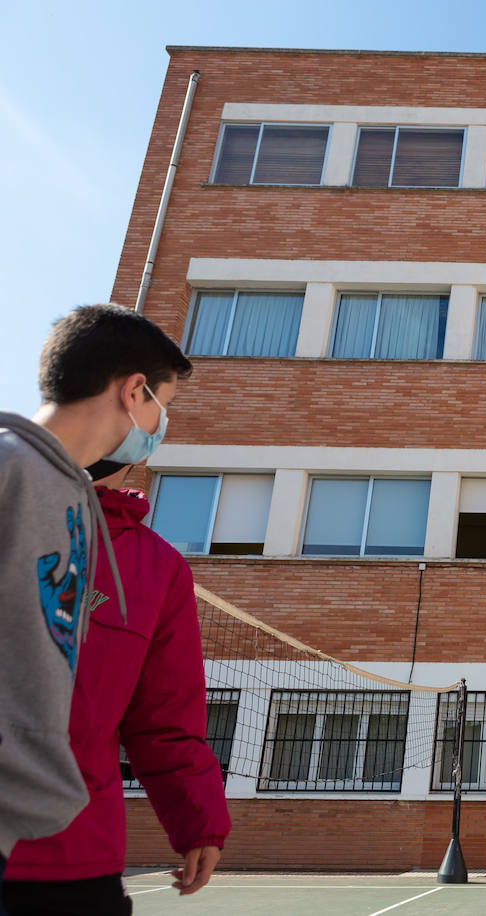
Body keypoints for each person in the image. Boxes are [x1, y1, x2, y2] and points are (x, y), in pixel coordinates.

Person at [0, 305, 191, 900]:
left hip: (53, 838)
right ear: (135, 392)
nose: (160, 426)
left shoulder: (76, 506)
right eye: (162, 406)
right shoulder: (13, 468)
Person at [4, 462, 230, 915]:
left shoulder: (157, 566)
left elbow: (164, 721)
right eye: (159, 404)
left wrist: (198, 822)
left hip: (71, 858)